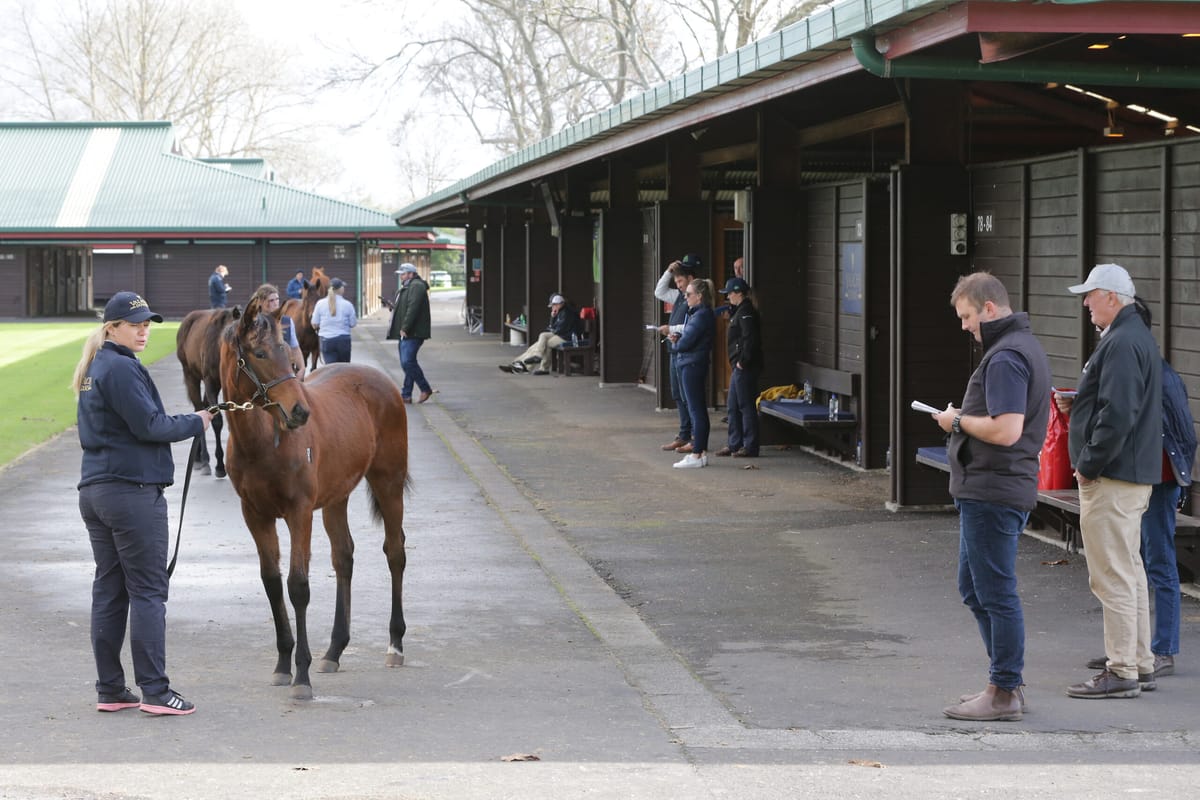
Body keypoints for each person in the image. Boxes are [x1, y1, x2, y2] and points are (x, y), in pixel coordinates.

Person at [73, 291, 214, 716]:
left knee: (111, 590)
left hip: (99, 491)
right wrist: (197, 421)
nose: (143, 330)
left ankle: (112, 689)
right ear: (111, 327)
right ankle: (155, 690)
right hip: (129, 494)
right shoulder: (118, 367)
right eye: (135, 324)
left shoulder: (98, 367)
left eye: (147, 324)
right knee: (149, 593)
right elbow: (149, 425)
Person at [932, 272, 1050, 722]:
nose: (964, 326)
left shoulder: (1006, 356)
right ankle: (1006, 681)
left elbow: (1006, 429)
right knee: (975, 587)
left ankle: (1003, 689)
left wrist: (957, 422)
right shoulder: (1021, 346)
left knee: (995, 591)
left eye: (966, 316)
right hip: (994, 486)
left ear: (988, 308)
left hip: (993, 489)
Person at [1073, 296, 1193, 683]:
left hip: (1155, 477)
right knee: (1136, 562)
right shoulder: (1142, 357)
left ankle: (1160, 650)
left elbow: (1175, 429)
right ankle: (1135, 653)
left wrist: (1090, 463)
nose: (1099, 329)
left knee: (1152, 561)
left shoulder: (1139, 359)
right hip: (1146, 475)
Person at [1062, 263, 1162, 700]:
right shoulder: (1135, 336)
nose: (1085, 302)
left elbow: (1116, 413)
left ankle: (1122, 669)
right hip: (1131, 474)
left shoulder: (1120, 342)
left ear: (1112, 297)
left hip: (1112, 475)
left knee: (1112, 574)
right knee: (1130, 570)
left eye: (1091, 293)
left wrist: (1087, 462)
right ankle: (1138, 662)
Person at [655, 254, 702, 453]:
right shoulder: (679, 297)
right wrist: (668, 271)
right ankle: (684, 434)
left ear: (691, 279)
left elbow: (691, 326)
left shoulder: (697, 300)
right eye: (677, 281)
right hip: (675, 350)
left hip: (686, 352)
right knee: (677, 394)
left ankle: (693, 435)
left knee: (687, 396)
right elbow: (659, 291)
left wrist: (672, 329)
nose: (679, 285)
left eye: (681, 280)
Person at [671, 278, 716, 469]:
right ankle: (701, 452)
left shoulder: (701, 315)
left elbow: (686, 343)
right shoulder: (698, 314)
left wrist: (675, 342)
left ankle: (697, 454)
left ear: (699, 296)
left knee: (695, 409)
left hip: (692, 364)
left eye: (688, 294)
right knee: (697, 408)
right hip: (693, 362)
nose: (685, 297)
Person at [714, 277, 762, 458]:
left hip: (745, 367)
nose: (728, 298)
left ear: (738, 293)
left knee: (745, 405)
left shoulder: (746, 312)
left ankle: (750, 446)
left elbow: (751, 339)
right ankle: (734, 444)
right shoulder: (739, 310)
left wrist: (743, 361)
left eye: (730, 294)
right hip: (738, 366)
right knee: (732, 405)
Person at [498, 293, 582, 375]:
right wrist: (553, 317)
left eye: (554, 305)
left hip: (568, 337)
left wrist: (553, 329)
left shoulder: (567, 313)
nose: (553, 307)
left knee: (544, 344)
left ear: (560, 304)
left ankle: (532, 366)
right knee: (538, 341)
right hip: (560, 334)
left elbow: (560, 329)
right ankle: (522, 362)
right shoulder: (560, 311)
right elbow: (552, 326)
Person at [387, 262, 434, 403]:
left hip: (413, 332)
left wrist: (405, 327)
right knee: (407, 363)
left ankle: (425, 389)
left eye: (403, 273)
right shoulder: (409, 286)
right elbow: (407, 307)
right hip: (407, 332)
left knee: (407, 362)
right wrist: (395, 308)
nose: (401, 276)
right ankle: (406, 395)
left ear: (411, 274)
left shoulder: (417, 286)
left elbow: (413, 308)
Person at [251, 283, 305, 379]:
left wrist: (302, 369)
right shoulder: (253, 323)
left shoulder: (287, 321)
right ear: (261, 302)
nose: (276, 303)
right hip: (263, 374)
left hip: (285, 372)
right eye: (271, 300)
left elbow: (295, 348)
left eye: (277, 299)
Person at [310, 277, 357, 364]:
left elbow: (314, 323)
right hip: (343, 341)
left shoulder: (320, 304)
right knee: (344, 369)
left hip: (327, 341)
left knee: (331, 371)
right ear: (340, 289)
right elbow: (353, 323)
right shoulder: (348, 305)